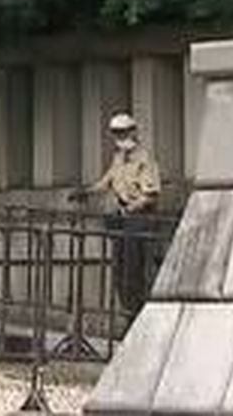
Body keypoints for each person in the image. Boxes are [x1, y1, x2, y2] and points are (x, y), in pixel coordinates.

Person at [69, 110, 163, 317]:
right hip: (122, 218)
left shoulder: (144, 159)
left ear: (133, 132)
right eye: (117, 132)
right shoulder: (119, 158)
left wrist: (130, 208)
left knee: (134, 267)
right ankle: (127, 308)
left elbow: (151, 195)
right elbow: (107, 181)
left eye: (124, 132)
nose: (120, 137)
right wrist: (86, 192)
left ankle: (136, 310)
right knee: (120, 266)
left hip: (140, 217)